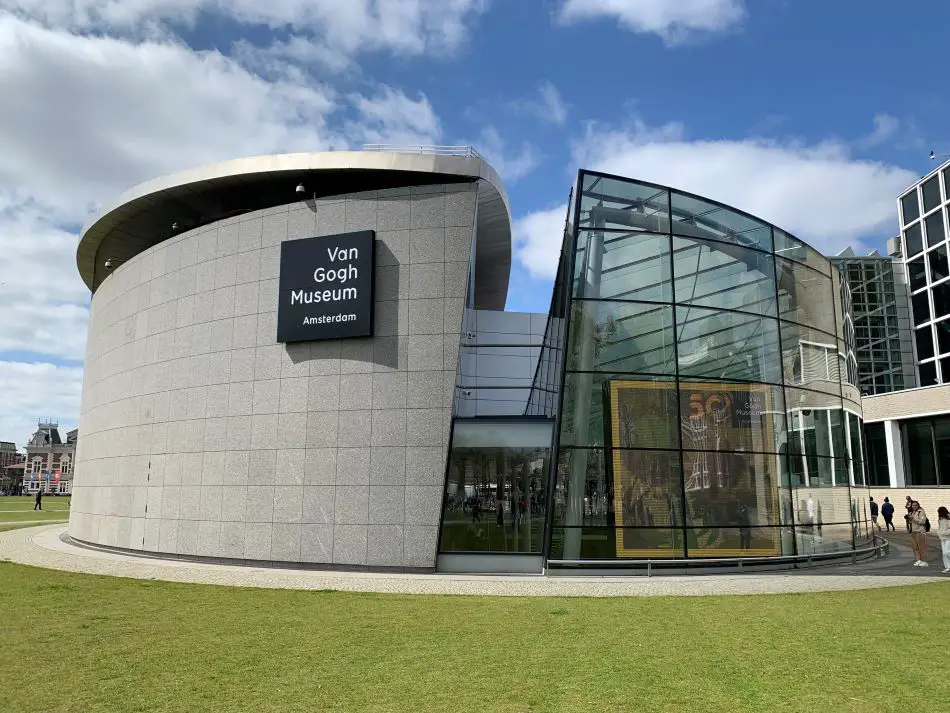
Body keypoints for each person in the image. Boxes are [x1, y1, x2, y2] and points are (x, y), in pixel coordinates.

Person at [909, 501, 929, 567]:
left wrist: (913, 518)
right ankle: (918, 560)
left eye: (915, 505)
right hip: (913, 531)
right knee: (915, 548)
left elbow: (922, 522)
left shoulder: (921, 512)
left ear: (918, 506)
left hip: (920, 531)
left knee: (921, 548)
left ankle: (924, 561)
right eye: (913, 505)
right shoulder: (913, 512)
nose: (914, 506)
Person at [937, 507, 950, 574]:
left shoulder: (948, 519)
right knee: (944, 553)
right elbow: (939, 528)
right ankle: (947, 567)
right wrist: (939, 533)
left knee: (947, 552)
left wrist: (944, 532)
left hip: (948, 538)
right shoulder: (940, 519)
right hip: (943, 538)